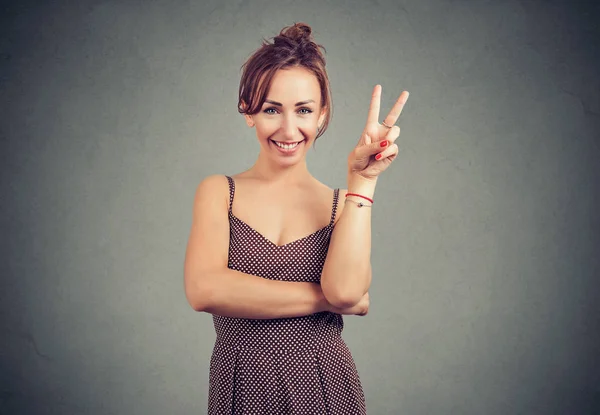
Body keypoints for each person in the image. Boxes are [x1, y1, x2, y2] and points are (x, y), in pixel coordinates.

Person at [183, 22, 409, 414]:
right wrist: (327, 301)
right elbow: (205, 290)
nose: (289, 129)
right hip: (242, 382)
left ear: (322, 115)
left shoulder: (343, 204)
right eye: (272, 109)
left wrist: (363, 181)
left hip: (325, 384)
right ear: (247, 110)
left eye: (304, 110)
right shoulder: (219, 191)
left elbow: (346, 291)